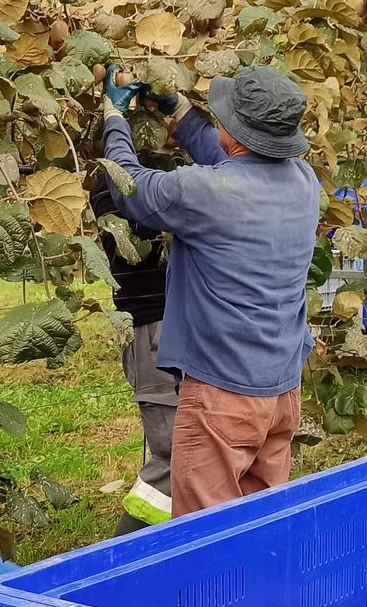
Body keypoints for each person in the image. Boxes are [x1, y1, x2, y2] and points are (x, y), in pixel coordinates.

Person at [100, 65, 320, 517]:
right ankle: (263, 589)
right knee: (257, 520)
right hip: (280, 391)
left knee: (207, 534)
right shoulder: (304, 181)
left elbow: (130, 187)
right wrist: (178, 112)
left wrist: (114, 118)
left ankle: (210, 592)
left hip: (224, 395)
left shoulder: (203, 192)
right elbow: (233, 157)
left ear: (235, 130)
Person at [90, 73, 177, 533]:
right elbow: (140, 209)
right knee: (171, 456)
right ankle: (127, 546)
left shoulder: (178, 178)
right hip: (155, 331)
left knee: (189, 451)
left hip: (177, 331)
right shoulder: (109, 184)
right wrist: (117, 120)